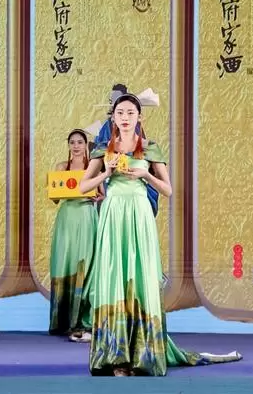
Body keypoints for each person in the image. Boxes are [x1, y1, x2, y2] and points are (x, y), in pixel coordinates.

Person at [79, 94, 242, 376]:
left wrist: (144, 176)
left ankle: (142, 353)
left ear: (139, 117)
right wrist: (106, 173)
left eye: (130, 112)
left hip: (139, 214)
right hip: (113, 214)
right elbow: (83, 187)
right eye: (120, 112)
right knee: (115, 276)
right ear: (113, 117)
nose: (125, 117)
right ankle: (116, 356)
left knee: (140, 276)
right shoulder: (103, 149)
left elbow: (168, 189)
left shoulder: (150, 148)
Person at [49, 129, 101, 343]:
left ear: (86, 144)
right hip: (67, 217)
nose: (76, 146)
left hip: (86, 216)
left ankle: (82, 320)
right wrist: (56, 190)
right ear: (68, 145)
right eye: (72, 142)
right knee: (65, 263)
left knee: (85, 265)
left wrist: (97, 198)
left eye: (80, 142)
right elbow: (54, 198)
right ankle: (62, 320)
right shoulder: (62, 167)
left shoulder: (94, 167)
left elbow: (101, 194)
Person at [94, 83, 160, 217]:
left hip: (135, 193)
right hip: (113, 188)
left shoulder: (136, 128)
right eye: (112, 101)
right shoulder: (106, 127)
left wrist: (144, 173)